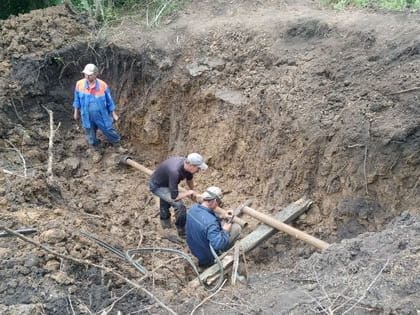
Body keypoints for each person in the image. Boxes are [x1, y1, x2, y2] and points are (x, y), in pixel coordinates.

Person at [72, 63, 125, 160]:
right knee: (90, 133)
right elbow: (76, 100)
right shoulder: (79, 84)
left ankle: (117, 145)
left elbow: (109, 101)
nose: (87, 76)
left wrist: (113, 114)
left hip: (101, 114)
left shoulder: (102, 85)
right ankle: (96, 149)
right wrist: (76, 112)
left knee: (108, 129)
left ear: (96, 74)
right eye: (86, 74)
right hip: (86, 115)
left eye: (90, 75)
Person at [149, 152, 208, 237]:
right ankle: (181, 230)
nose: (199, 170)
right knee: (179, 206)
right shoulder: (175, 172)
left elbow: (189, 179)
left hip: (167, 182)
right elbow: (175, 197)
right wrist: (188, 192)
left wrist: (193, 190)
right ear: (191, 165)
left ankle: (165, 223)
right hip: (157, 186)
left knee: (166, 200)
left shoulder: (187, 166)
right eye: (198, 168)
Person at [186, 186, 242, 268]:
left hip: (195, 250)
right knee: (236, 228)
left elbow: (204, 219)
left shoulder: (193, 208)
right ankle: (221, 256)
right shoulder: (211, 223)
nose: (218, 205)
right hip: (208, 257)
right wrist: (225, 231)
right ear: (214, 200)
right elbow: (219, 245)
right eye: (218, 202)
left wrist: (221, 216)